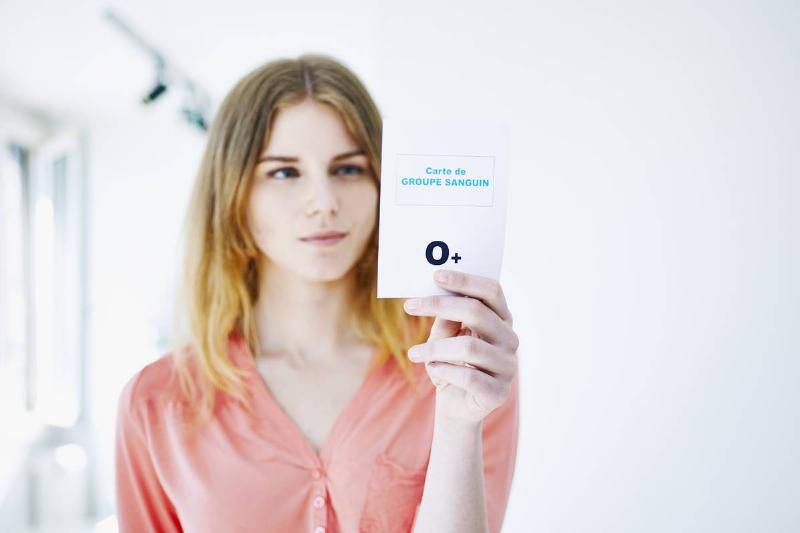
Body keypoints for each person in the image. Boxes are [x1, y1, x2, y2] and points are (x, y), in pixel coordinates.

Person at [114, 53, 520, 533]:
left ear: (381, 186)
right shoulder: (156, 402)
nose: (324, 203)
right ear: (233, 195)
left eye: (348, 169)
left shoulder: (459, 364)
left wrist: (457, 425)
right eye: (284, 172)